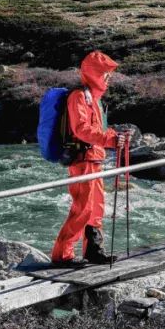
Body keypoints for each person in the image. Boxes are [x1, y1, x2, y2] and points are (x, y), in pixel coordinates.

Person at [50, 50, 132, 267]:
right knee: (82, 208)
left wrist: (116, 136)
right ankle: (62, 255)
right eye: (105, 73)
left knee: (96, 207)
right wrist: (110, 139)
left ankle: (93, 251)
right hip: (82, 160)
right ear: (95, 73)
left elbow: (96, 129)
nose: (109, 77)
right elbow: (81, 129)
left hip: (94, 160)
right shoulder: (79, 96)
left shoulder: (94, 99)